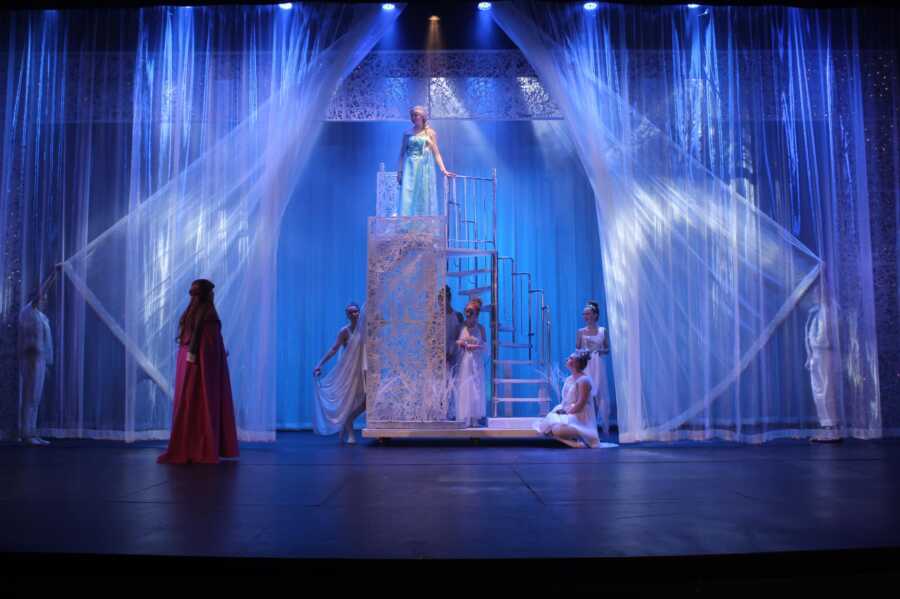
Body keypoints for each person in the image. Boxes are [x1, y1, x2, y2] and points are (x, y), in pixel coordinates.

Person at [158, 279, 239, 464]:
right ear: (208, 294)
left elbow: (197, 342)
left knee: (189, 403)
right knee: (202, 403)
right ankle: (201, 447)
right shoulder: (207, 313)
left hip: (187, 365)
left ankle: (189, 445)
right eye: (211, 293)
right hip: (201, 368)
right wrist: (217, 352)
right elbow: (208, 345)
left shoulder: (190, 313)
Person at [313, 302, 367, 444]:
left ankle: (348, 419)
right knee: (348, 401)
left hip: (363, 369)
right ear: (347, 315)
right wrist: (319, 364)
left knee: (367, 401)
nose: (354, 314)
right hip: (349, 372)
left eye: (356, 311)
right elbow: (334, 349)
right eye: (351, 312)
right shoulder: (344, 331)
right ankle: (350, 433)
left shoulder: (365, 330)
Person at [17, 274, 57, 446]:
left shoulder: (42, 317)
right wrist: (53, 276)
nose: (45, 300)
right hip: (30, 360)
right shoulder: (28, 311)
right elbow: (41, 292)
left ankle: (32, 432)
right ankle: (26, 434)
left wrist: (47, 364)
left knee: (36, 398)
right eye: (43, 298)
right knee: (30, 397)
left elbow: (46, 343)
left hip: (40, 360)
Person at [396, 105, 455, 216]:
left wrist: (444, 170)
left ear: (422, 116)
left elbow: (436, 153)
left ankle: (422, 227)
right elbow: (401, 154)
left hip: (424, 168)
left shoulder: (430, 133)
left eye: (416, 115)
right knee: (408, 195)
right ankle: (407, 226)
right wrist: (399, 172)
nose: (413, 117)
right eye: (412, 115)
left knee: (423, 195)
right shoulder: (407, 133)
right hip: (410, 167)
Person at [534, 349, 600, 448]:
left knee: (556, 429)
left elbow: (580, 404)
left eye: (570, 358)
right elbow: (566, 400)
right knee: (547, 427)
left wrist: (566, 413)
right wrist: (562, 410)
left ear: (576, 363)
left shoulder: (584, 380)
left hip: (580, 416)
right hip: (569, 411)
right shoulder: (570, 378)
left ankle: (576, 441)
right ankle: (572, 440)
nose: (567, 359)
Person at [805, 283, 842, 443]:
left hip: (823, 353)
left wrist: (816, 346)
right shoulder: (818, 311)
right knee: (819, 389)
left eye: (816, 293)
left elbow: (823, 336)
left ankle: (831, 428)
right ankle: (826, 426)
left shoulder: (826, 311)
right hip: (817, 354)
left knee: (825, 389)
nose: (814, 296)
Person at [576, 300, 611, 436]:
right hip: (586, 364)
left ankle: (603, 425)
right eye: (584, 314)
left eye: (588, 314)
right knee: (586, 392)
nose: (585, 316)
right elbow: (577, 350)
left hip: (598, 363)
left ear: (595, 315)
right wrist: (583, 353)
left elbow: (607, 349)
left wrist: (600, 350)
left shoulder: (602, 331)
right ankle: (587, 424)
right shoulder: (580, 332)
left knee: (600, 393)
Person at [454, 297, 487, 427]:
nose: (467, 314)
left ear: (476, 313)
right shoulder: (461, 327)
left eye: (470, 311)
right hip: (465, 361)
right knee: (465, 387)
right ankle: (465, 416)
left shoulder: (481, 328)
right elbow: (456, 341)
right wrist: (463, 344)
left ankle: (474, 416)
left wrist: (477, 346)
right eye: (466, 311)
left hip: (476, 361)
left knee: (476, 387)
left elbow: (485, 345)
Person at [441, 285, 464, 373]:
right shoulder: (436, 317)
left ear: (449, 299)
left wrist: (451, 351)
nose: (441, 303)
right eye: (439, 300)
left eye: (443, 299)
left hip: (455, 352)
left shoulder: (458, 316)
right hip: (441, 353)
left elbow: (461, 335)